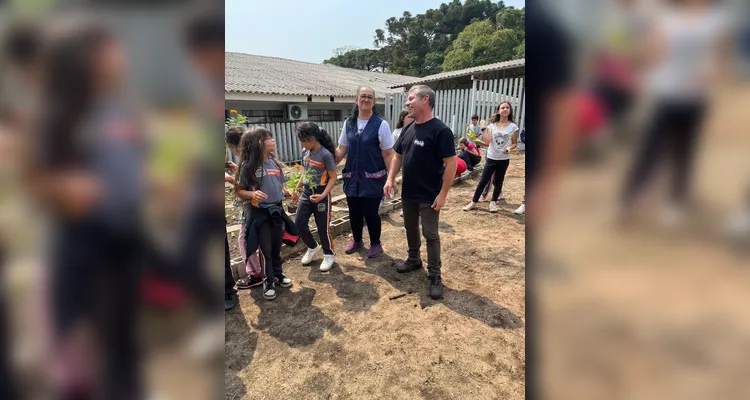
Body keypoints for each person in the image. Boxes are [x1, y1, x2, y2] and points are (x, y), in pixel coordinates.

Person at [33, 20, 146, 398]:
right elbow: (37, 176)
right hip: (85, 244)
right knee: (87, 350)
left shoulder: (117, 106)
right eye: (108, 48)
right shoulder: (61, 111)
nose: (120, 54)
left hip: (124, 238)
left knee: (124, 344)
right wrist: (65, 187)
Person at [617, 0, 731, 226]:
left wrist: (714, 69)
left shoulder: (716, 22)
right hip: (666, 93)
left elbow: (721, 56)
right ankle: (628, 199)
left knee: (685, 150)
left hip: (696, 97)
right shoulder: (668, 20)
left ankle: (676, 202)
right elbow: (652, 51)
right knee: (651, 148)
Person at [384, 85, 457, 300]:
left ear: (425, 99)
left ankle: (435, 275)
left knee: (430, 234)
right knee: (410, 228)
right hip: (409, 193)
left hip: (429, 194)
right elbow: (397, 155)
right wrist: (390, 178)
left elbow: (451, 164)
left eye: (411, 98)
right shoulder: (408, 128)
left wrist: (443, 193)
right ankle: (414, 260)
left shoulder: (440, 130)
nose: (407, 103)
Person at [335, 86, 395, 258]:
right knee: (354, 212)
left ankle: (376, 243)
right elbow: (342, 148)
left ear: (373, 102)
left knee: (370, 213)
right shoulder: (349, 123)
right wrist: (330, 161)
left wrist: (391, 178)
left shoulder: (381, 124)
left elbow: (388, 153)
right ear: (356, 100)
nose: (366, 99)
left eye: (369, 97)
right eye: (363, 96)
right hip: (352, 177)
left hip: (373, 178)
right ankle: (357, 240)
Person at [236, 127, 294, 301]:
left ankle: (279, 274)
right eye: (269, 138)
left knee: (277, 246)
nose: (273, 140)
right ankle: (268, 282)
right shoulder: (248, 166)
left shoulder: (275, 163)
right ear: (258, 143)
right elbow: (239, 191)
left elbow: (281, 185)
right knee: (265, 250)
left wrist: (287, 191)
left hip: (277, 211)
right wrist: (252, 194)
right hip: (260, 214)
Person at [293, 122, 338, 272]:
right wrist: (297, 189)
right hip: (307, 192)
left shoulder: (325, 154)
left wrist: (323, 195)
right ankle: (312, 247)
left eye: (302, 140)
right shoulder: (306, 152)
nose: (301, 143)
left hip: (321, 193)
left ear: (312, 139)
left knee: (322, 227)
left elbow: (333, 177)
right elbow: (305, 172)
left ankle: (329, 254)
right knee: (299, 223)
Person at [225, 126, 265, 290]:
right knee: (264, 238)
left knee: (245, 239)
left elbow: (245, 187)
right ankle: (271, 271)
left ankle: (255, 274)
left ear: (236, 147)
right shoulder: (258, 159)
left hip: (250, 208)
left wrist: (229, 179)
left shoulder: (246, 163)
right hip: (264, 207)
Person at [464, 101, 519, 213]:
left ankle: (493, 203)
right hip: (491, 158)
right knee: (483, 181)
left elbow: (514, 143)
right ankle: (473, 202)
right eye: (502, 107)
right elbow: (488, 141)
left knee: (499, 181)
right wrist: (483, 127)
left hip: (504, 159)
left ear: (510, 110)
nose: (505, 109)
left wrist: (509, 148)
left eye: (507, 107)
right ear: (498, 110)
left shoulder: (513, 127)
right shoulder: (491, 126)